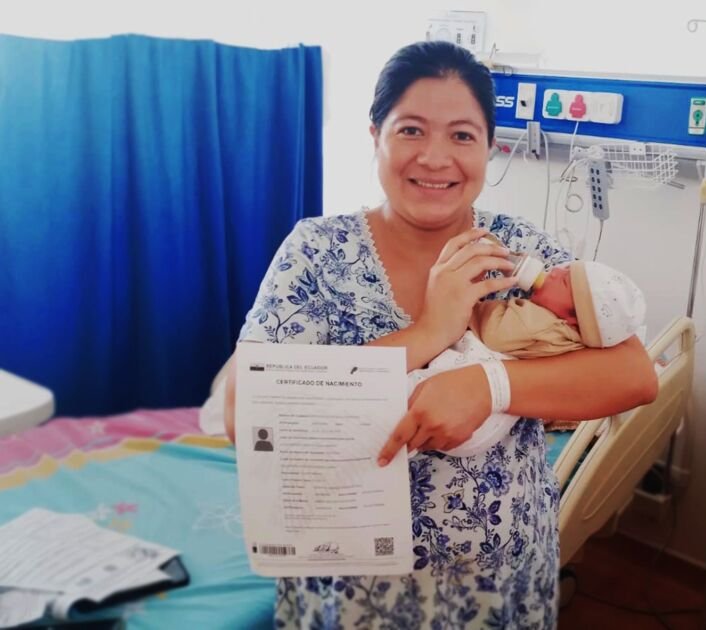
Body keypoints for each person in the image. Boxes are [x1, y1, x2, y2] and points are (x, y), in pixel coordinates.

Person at [224, 40, 657, 629]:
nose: (435, 158)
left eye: (461, 135)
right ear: (375, 136)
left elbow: (633, 375)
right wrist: (431, 330)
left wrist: (489, 386)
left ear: (489, 148)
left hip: (498, 579)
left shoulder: (517, 249)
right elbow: (246, 413)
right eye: (411, 130)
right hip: (353, 586)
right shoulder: (317, 251)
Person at [412, 258, 647, 458]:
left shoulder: (541, 325)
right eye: (564, 269)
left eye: (564, 281)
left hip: (478, 419)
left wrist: (472, 307)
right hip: (480, 424)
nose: (555, 271)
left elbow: (497, 333)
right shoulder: (560, 325)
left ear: (573, 316)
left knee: (415, 391)